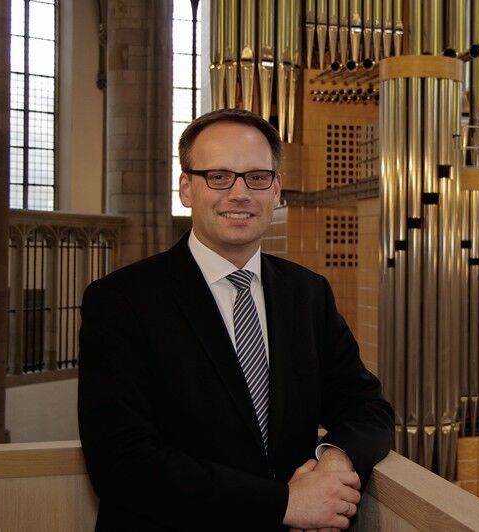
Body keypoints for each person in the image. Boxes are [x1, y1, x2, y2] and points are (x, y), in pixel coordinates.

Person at [78, 108, 394, 531]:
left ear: (276, 189)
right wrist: (283, 503)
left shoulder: (307, 293)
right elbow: (122, 463)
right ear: (186, 188)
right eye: (219, 177)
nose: (240, 193)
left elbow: (368, 408)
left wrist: (334, 457)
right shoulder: (121, 300)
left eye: (257, 177)